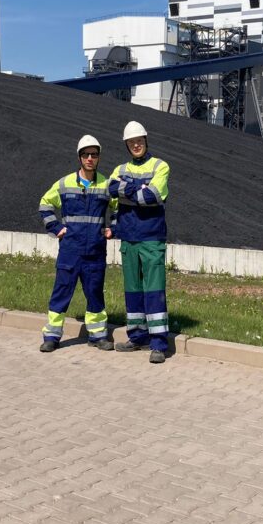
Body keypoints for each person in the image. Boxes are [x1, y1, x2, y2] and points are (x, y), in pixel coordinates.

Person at [37, 135, 116, 353]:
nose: (90, 158)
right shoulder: (64, 184)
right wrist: (55, 228)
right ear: (79, 157)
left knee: (95, 293)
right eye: (86, 155)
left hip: (95, 251)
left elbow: (118, 209)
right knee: (61, 292)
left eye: (94, 155)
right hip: (70, 251)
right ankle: (52, 336)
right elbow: (45, 205)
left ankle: (98, 335)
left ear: (98, 157)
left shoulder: (106, 184)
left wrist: (113, 229)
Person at [107, 121, 171, 364]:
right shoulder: (119, 168)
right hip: (129, 238)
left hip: (152, 238)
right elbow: (112, 189)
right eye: (131, 142)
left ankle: (158, 344)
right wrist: (138, 189)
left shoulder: (160, 166)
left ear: (146, 140)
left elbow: (152, 196)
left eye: (139, 141)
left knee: (154, 291)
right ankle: (137, 337)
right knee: (133, 291)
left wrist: (128, 191)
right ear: (126, 144)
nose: (136, 144)